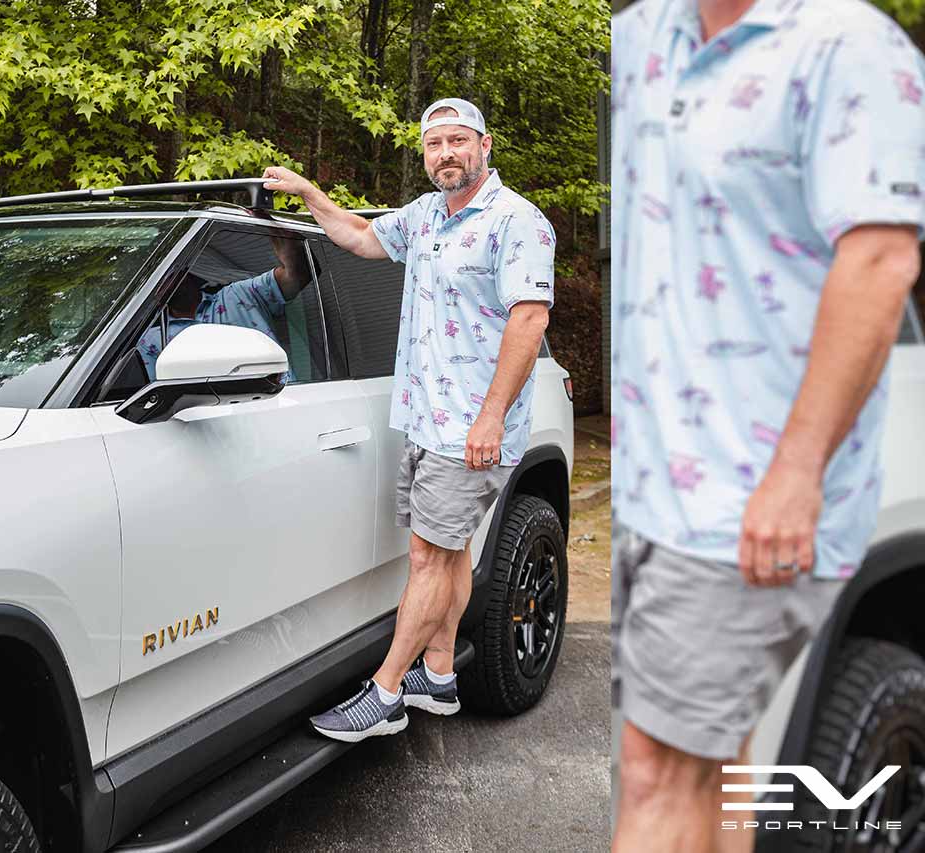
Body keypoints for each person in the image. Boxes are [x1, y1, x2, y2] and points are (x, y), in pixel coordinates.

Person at [611, 0, 924, 849]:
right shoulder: (648, 36)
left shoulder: (848, 44)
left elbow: (882, 256)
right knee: (713, 769)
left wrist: (796, 470)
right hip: (654, 487)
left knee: (656, 774)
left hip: (737, 493)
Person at [262, 97, 555, 741]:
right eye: (433, 144)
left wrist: (490, 418)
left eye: (457, 141)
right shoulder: (425, 215)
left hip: (470, 427)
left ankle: (386, 692)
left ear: (484, 145)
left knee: (426, 558)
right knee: (448, 554)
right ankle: (441, 675)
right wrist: (311, 191)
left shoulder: (517, 222)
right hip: (425, 417)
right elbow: (362, 237)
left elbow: (528, 319)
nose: (445, 153)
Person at [136, 236, 310, 382]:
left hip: (283, 404)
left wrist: (273, 225)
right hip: (208, 420)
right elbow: (157, 398)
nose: (160, 282)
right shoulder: (152, 341)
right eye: (151, 279)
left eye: (166, 272)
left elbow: (300, 272)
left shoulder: (239, 294)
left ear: (186, 271)